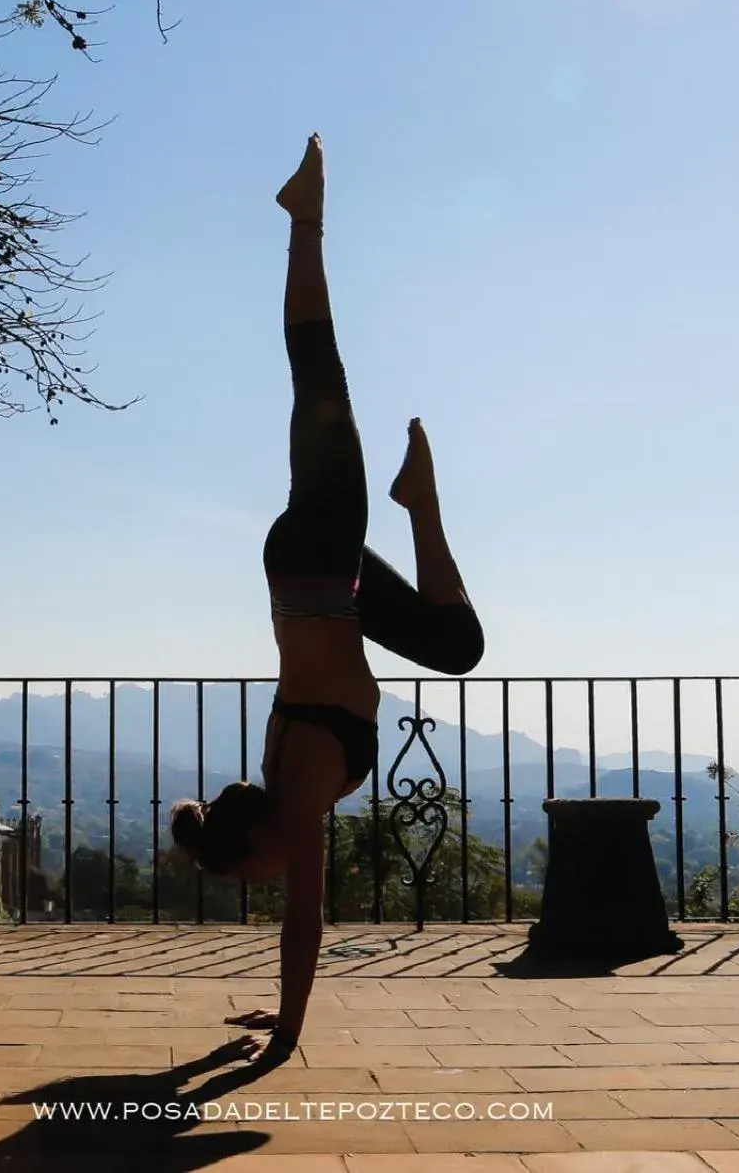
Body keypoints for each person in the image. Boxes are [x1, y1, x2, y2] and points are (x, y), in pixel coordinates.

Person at [169, 134, 484, 1059]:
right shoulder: (281, 780)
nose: (264, 885)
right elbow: (292, 904)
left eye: (249, 877)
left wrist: (286, 1033)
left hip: (312, 566)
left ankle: (302, 220)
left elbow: (305, 919)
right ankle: (419, 504)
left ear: (256, 842)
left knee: (321, 381)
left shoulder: (298, 789)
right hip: (325, 583)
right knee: (455, 646)